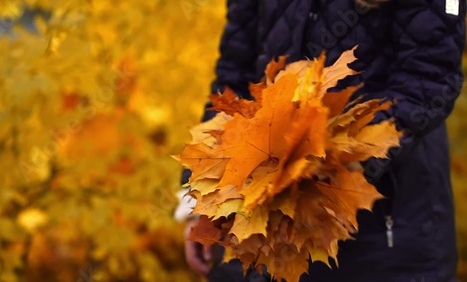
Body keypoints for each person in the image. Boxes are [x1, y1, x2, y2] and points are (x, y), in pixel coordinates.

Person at [176, 0, 466, 281]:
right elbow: (234, 80)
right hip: (258, 227)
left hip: (385, 233)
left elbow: (429, 82)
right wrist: (203, 201)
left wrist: (322, 160)